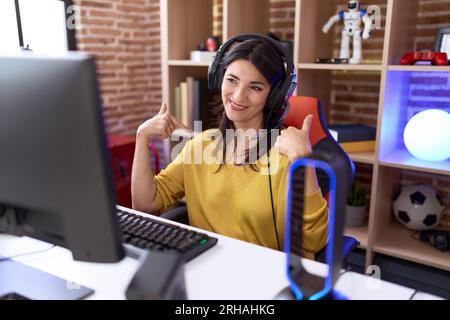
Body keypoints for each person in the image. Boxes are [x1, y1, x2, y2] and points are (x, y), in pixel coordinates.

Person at [131, 34, 328, 259]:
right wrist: (142, 137)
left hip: (266, 278)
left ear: (274, 96)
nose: (238, 95)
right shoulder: (200, 146)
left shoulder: (287, 156)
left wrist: (305, 162)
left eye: (255, 87)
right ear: (219, 78)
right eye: (232, 80)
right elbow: (145, 202)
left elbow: (314, 241)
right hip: (209, 269)